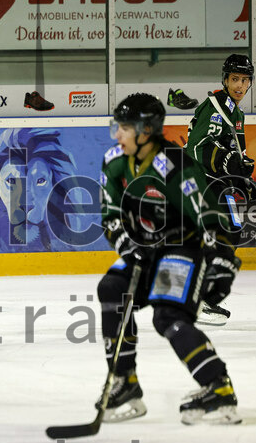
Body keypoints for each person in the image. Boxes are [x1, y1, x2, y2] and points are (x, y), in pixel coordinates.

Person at [97, 92, 241, 425]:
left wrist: (221, 263)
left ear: (146, 130)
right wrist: (127, 246)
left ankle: (217, 387)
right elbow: (111, 215)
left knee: (167, 317)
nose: (117, 134)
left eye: (124, 128)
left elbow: (208, 216)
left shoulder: (175, 165)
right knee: (111, 289)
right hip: (145, 251)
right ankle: (125, 382)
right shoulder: (115, 161)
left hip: (182, 250)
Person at [184, 54, 253, 318]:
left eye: (244, 80)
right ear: (225, 80)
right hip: (201, 181)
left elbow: (236, 152)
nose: (239, 85)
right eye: (235, 79)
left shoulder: (236, 112)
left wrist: (241, 177)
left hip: (217, 184)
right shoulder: (217, 105)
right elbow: (199, 147)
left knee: (231, 233)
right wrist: (230, 163)